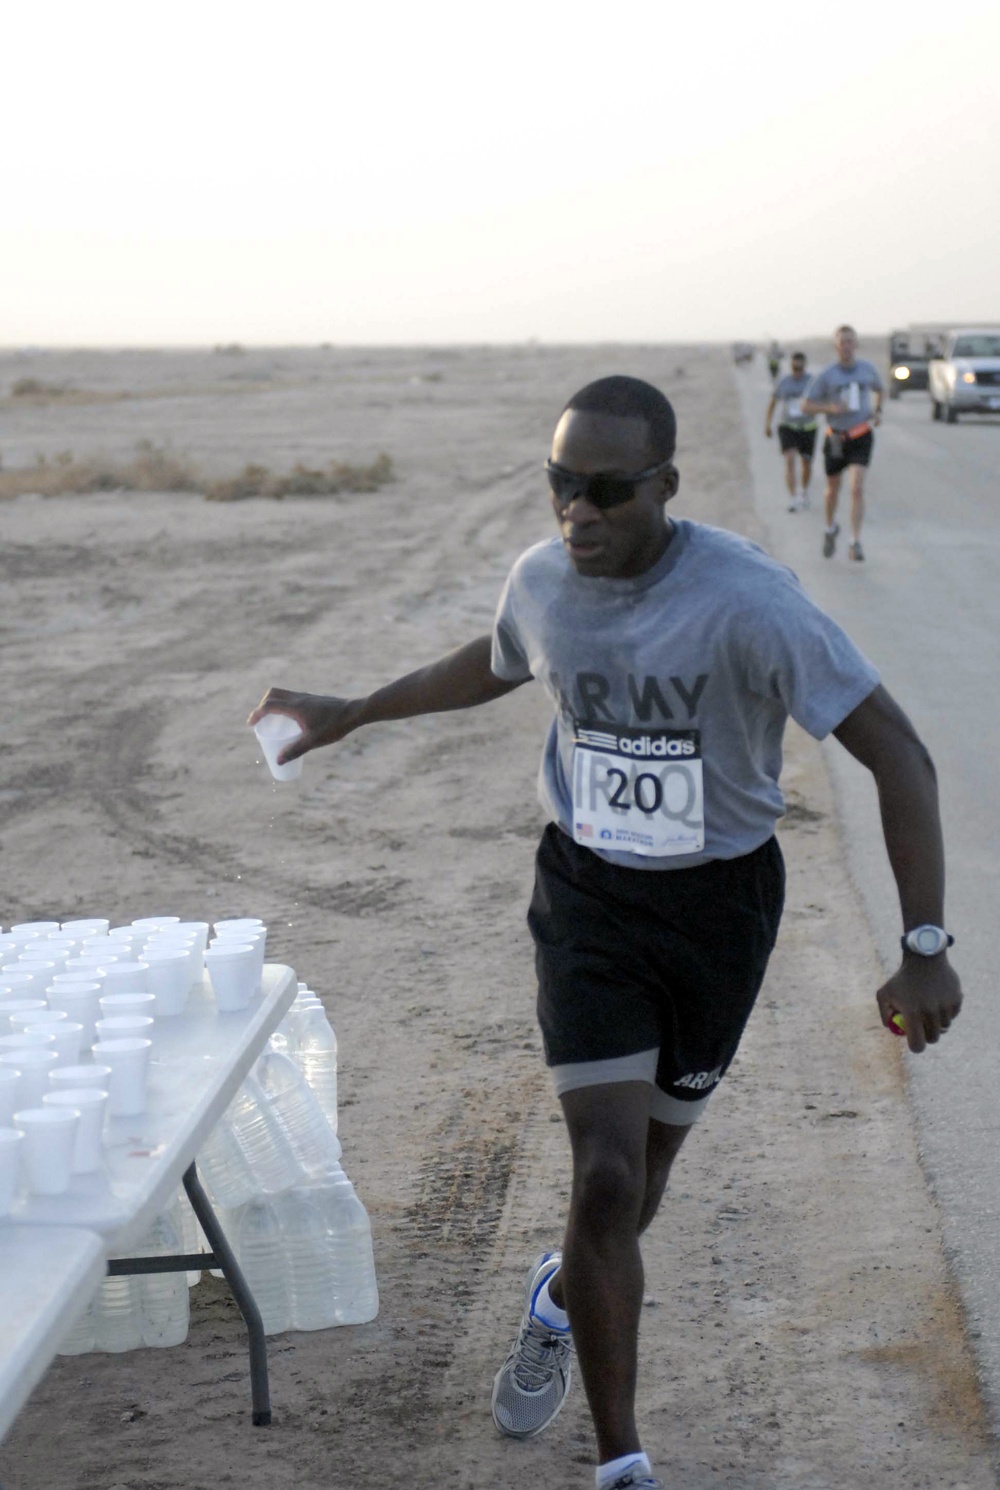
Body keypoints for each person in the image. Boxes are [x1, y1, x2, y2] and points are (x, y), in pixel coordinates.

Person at [248, 375, 962, 1490]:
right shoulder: (542, 580)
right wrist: (353, 712)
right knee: (608, 1176)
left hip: (721, 908)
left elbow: (897, 751)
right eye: (559, 484)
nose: (575, 512)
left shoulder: (751, 602)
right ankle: (620, 1455)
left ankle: (560, 1293)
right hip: (586, 898)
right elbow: (492, 664)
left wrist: (923, 940)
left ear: (666, 486)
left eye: (606, 490)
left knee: (651, 1166)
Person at [802, 325, 884, 561]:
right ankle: (830, 528)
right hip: (836, 437)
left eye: (850, 341)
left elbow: (880, 390)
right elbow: (806, 405)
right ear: (835, 346)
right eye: (842, 342)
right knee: (832, 489)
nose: (847, 346)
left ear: (856, 344)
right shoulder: (827, 375)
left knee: (857, 489)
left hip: (861, 435)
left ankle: (854, 542)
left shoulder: (867, 369)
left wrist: (877, 410)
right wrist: (829, 407)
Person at [765, 350, 817, 511]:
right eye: (795, 368)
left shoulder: (812, 382)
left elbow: (823, 401)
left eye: (800, 368)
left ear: (805, 366)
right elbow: (773, 401)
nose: (797, 371)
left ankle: (804, 491)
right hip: (788, 426)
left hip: (808, 427)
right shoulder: (784, 382)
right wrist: (767, 423)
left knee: (806, 463)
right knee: (789, 460)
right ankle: (793, 497)